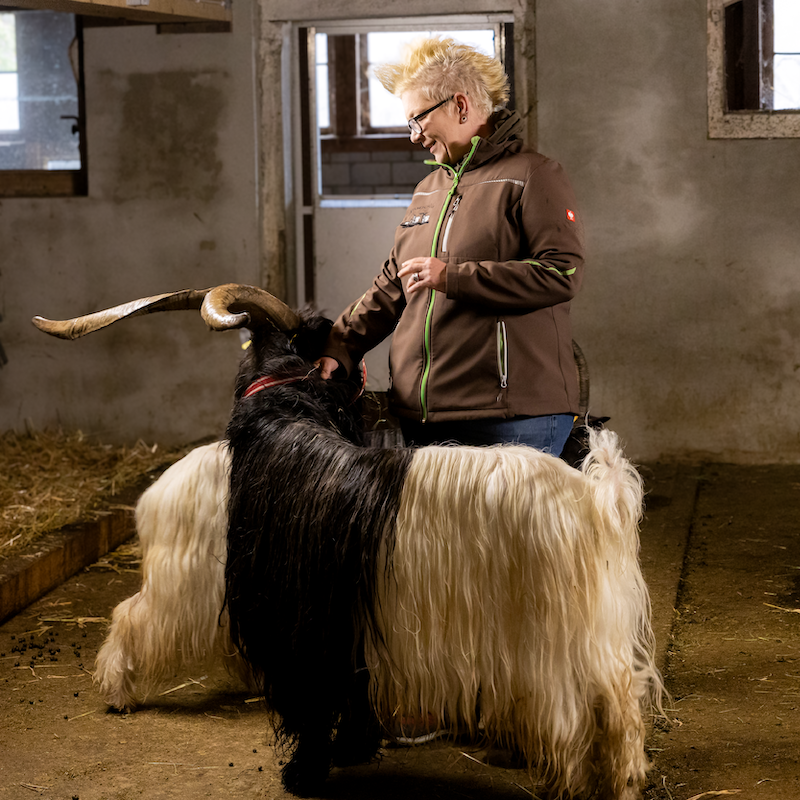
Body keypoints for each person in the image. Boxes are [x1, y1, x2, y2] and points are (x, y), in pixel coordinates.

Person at [318, 36, 585, 456]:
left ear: (460, 105)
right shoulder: (429, 189)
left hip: (512, 417)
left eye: (417, 119)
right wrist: (341, 347)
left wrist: (454, 277)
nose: (414, 137)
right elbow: (393, 284)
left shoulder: (533, 175)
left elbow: (560, 273)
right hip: (424, 417)